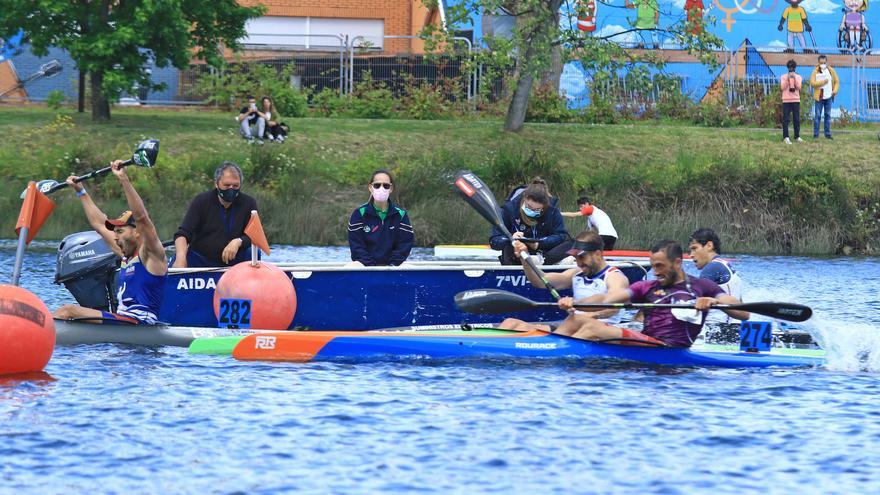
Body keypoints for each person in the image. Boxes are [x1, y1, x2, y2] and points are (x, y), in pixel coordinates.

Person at [565, 240, 750, 347]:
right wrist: (575, 303)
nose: (655, 272)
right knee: (577, 320)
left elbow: (743, 313)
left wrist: (713, 302)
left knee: (593, 329)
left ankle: (560, 358)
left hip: (669, 348)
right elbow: (606, 299)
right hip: (648, 342)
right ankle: (546, 348)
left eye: (660, 266)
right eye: (653, 266)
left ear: (677, 263)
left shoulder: (703, 287)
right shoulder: (646, 287)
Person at [54, 161, 167, 324]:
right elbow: (99, 224)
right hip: (124, 321)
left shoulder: (150, 254)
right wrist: (81, 191)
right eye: (114, 232)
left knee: (68, 311)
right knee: (69, 311)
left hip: (140, 322)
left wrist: (123, 178)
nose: (115, 237)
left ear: (137, 232)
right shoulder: (124, 254)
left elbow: (142, 217)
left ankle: (36, 336)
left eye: (120, 231)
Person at [498, 231, 630, 333]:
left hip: (598, 332)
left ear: (597, 254)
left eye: (582, 257)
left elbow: (614, 307)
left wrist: (590, 316)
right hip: (572, 328)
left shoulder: (614, 277)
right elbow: (539, 281)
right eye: (575, 258)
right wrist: (524, 257)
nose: (578, 263)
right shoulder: (576, 273)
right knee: (510, 323)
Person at [172, 161, 259, 268]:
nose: (231, 189)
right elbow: (183, 234)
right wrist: (180, 258)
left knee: (254, 252)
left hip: (236, 263)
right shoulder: (202, 201)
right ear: (216, 183)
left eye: (235, 186)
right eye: (226, 185)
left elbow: (255, 236)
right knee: (180, 258)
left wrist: (238, 241)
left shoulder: (249, 203)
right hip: (201, 259)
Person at [490, 178, 570, 265]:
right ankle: (536, 261)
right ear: (524, 198)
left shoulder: (552, 211)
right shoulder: (508, 210)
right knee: (509, 248)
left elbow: (561, 236)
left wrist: (538, 243)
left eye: (538, 209)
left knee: (572, 243)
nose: (532, 211)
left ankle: (543, 260)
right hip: (518, 252)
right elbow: (494, 241)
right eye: (529, 207)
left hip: (544, 251)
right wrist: (511, 238)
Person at [347, 169, 414, 266]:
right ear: (370, 187)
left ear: (391, 189)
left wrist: (392, 266)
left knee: (409, 268)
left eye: (386, 185)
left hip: (394, 267)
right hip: (364, 266)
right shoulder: (359, 213)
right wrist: (370, 266)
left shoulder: (401, 214)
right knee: (352, 267)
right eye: (377, 185)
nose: (381, 188)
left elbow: (404, 245)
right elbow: (356, 246)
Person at [688, 228, 743, 326]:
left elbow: (696, 302)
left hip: (716, 331)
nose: (691, 255)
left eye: (694, 248)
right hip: (735, 328)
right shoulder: (726, 265)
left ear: (709, 245)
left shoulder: (711, 268)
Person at [809, 55, 839, 140]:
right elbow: (812, 83)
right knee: (817, 116)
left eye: (824, 63)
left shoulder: (831, 70)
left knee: (828, 115)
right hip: (819, 97)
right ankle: (816, 134)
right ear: (818, 62)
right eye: (821, 63)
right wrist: (823, 82)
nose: (823, 64)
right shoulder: (815, 71)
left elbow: (837, 81)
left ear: (826, 62)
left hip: (829, 97)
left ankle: (827, 134)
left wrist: (835, 91)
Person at [780, 59, 803, 145]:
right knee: (786, 119)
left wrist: (794, 78)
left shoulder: (799, 76)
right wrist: (788, 79)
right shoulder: (783, 76)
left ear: (795, 68)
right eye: (790, 68)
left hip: (796, 99)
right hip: (786, 100)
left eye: (792, 68)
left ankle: (797, 136)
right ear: (788, 68)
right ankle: (786, 137)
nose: (791, 69)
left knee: (796, 119)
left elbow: (799, 87)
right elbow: (782, 87)